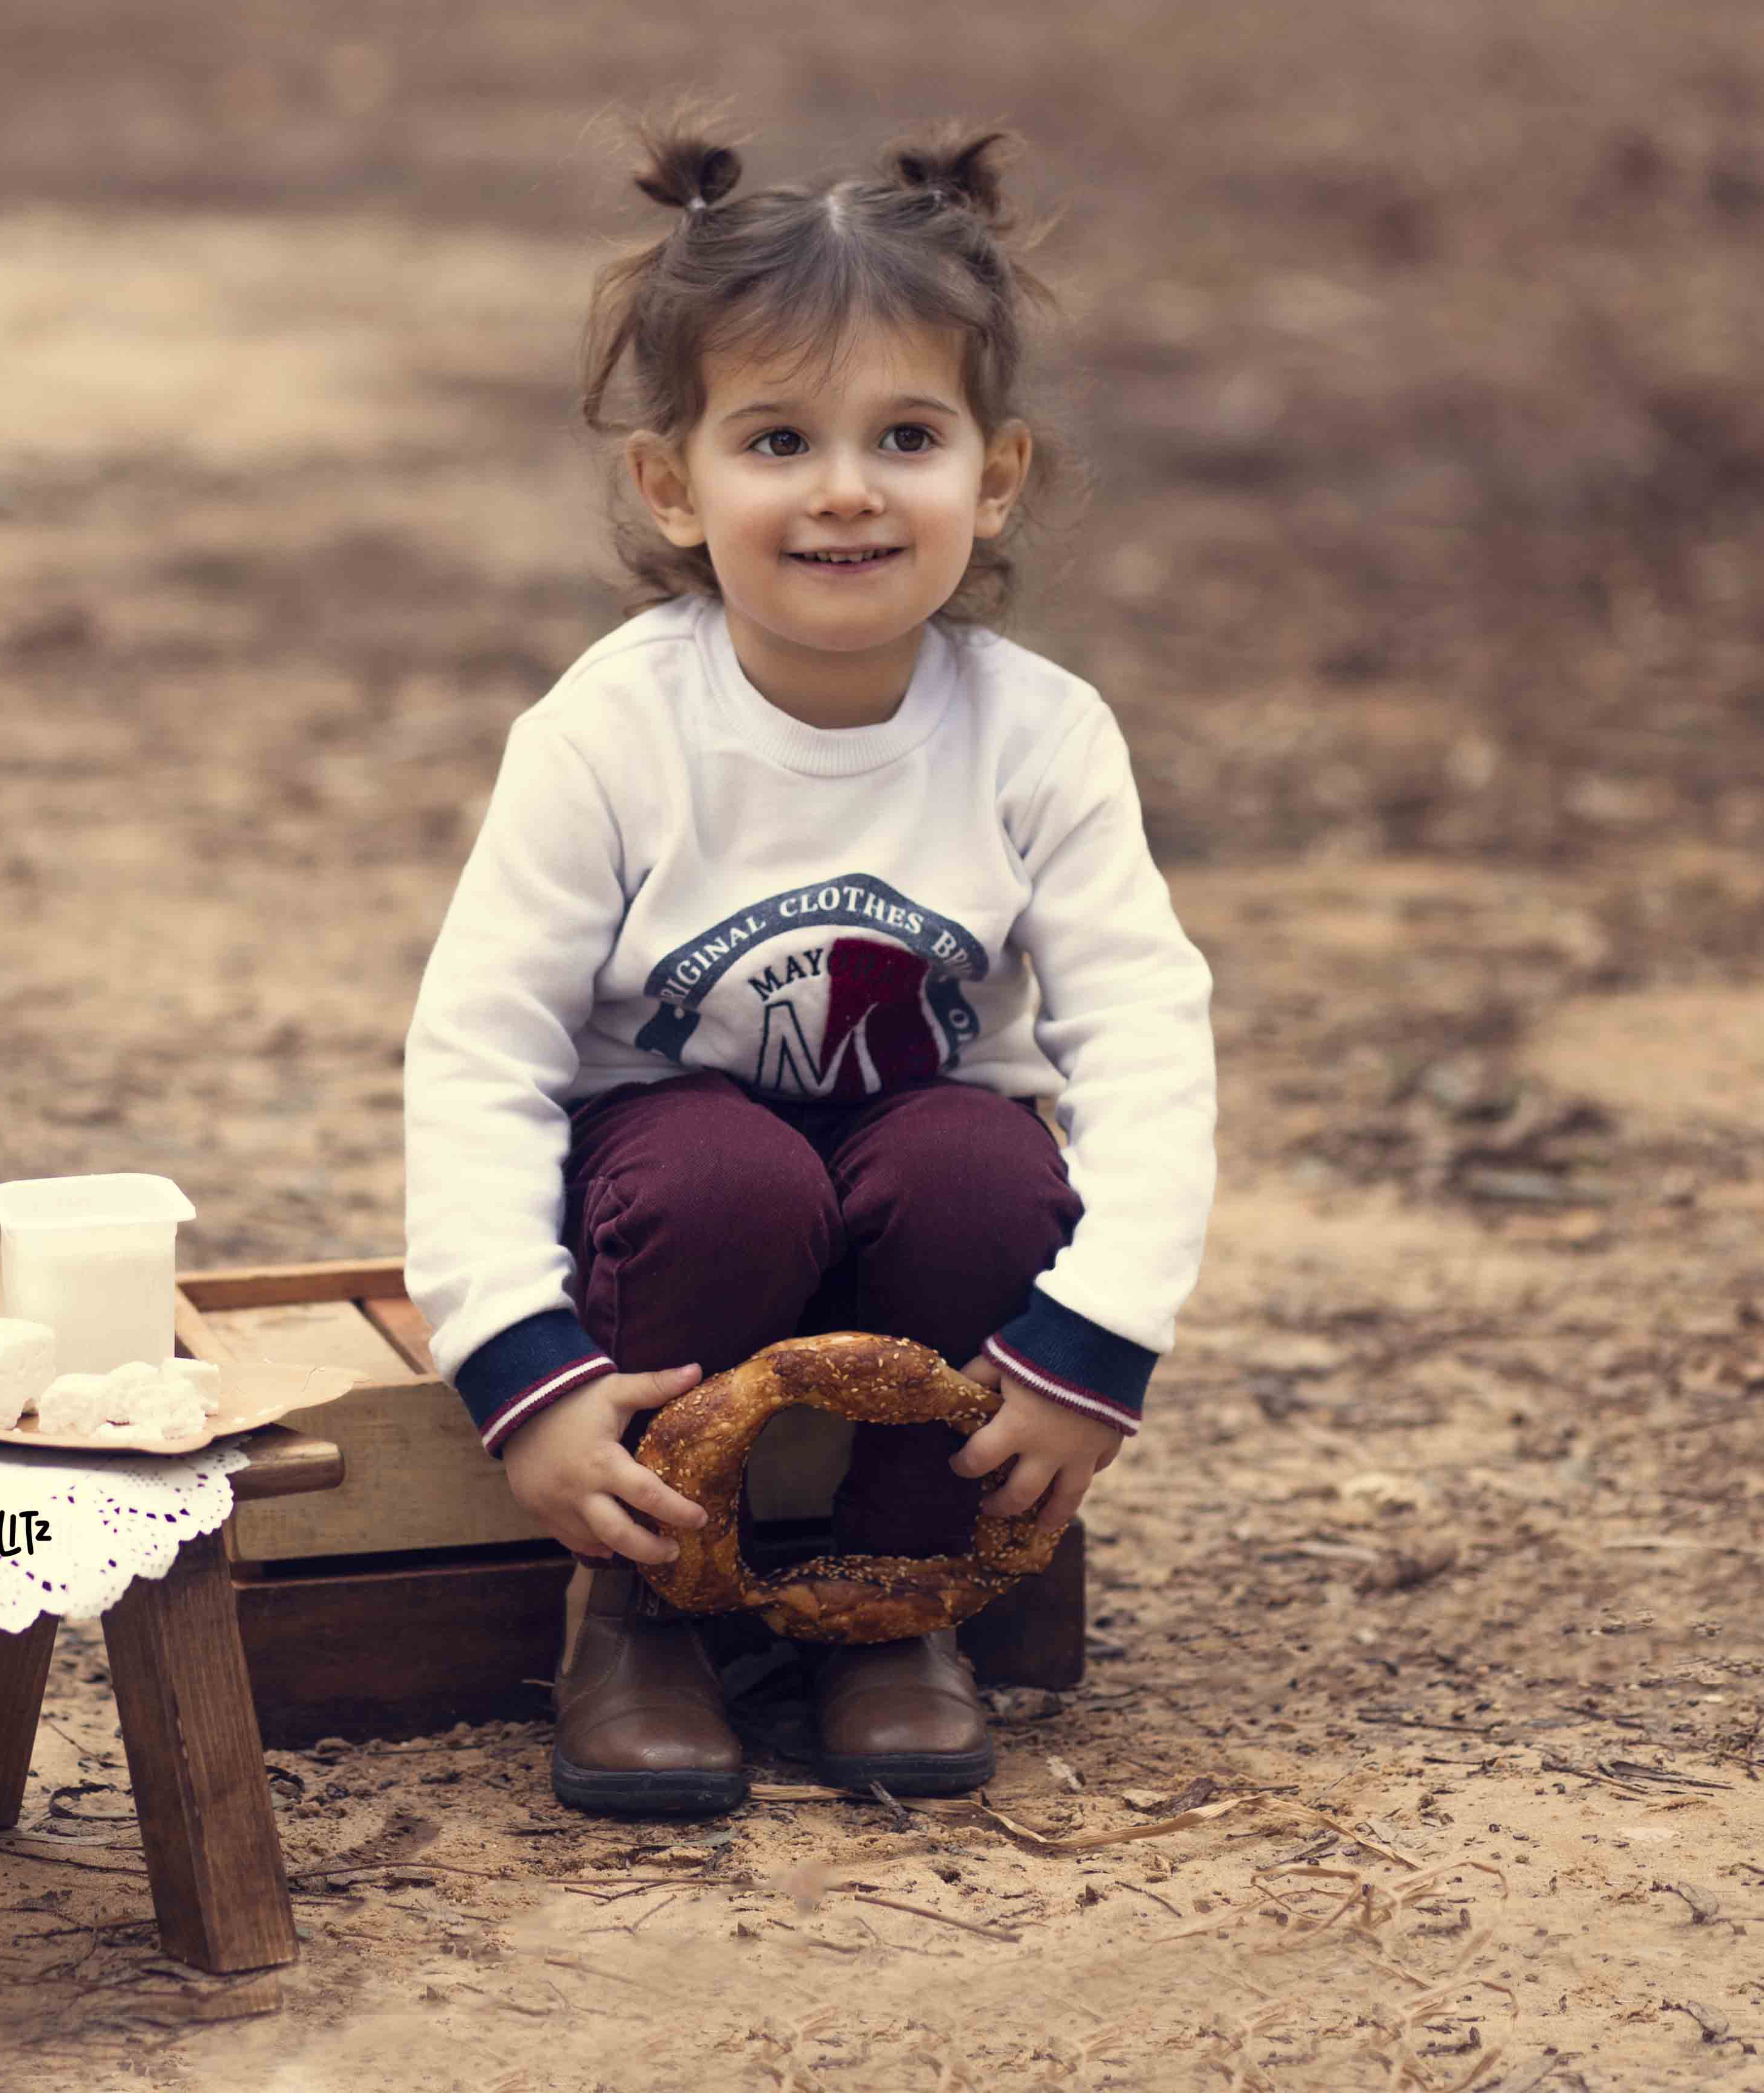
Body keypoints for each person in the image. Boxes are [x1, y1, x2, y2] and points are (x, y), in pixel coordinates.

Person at [403, 122, 1216, 1818]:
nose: (846, 488)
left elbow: (1145, 1030)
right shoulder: (615, 730)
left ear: (993, 476)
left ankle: (894, 1605)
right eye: (779, 439)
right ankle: (642, 1607)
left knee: (981, 1165)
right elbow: (482, 1044)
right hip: (670, 1190)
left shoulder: (1039, 739)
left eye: (904, 437)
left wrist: (1103, 1332)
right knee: (726, 1178)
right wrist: (515, 1365)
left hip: (916, 1180)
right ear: (675, 484)